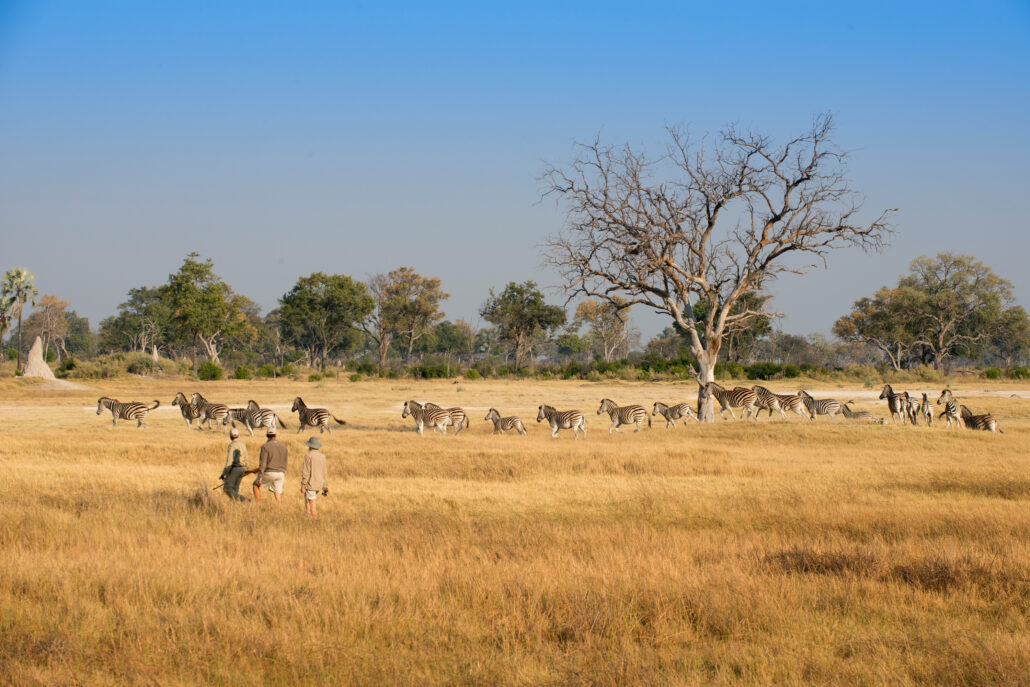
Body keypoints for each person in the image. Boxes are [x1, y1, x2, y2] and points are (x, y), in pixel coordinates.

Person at [253, 426, 287, 503]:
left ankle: (258, 504)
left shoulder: (265, 446)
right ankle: (280, 507)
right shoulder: (283, 446)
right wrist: (283, 471)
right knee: (277, 492)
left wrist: (260, 476)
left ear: (267, 435)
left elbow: (263, 463)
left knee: (255, 485)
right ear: (276, 435)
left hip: (270, 472)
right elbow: (285, 460)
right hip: (281, 473)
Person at [300, 436, 329, 519]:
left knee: (312, 504)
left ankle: (314, 520)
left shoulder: (308, 456)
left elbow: (306, 472)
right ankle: (308, 516)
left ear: (310, 446)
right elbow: (324, 472)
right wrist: (325, 485)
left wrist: (303, 485)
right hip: (320, 483)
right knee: (308, 499)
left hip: (311, 484)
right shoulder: (322, 456)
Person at [219, 427, 248, 500]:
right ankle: (235, 505)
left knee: (227, 489)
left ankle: (244, 500)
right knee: (235, 489)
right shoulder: (242, 444)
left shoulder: (232, 445)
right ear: (238, 435)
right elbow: (246, 458)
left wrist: (224, 473)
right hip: (242, 468)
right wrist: (246, 469)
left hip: (235, 469)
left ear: (230, 436)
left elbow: (229, 461)